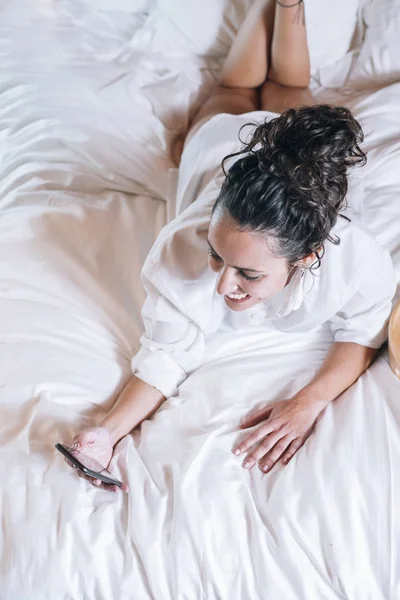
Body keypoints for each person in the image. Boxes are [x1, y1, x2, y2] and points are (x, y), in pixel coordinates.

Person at [69, 0, 396, 491]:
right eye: (217, 255)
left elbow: (365, 329)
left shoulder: (356, 256)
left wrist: (308, 402)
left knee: (282, 88)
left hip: (293, 166)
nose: (222, 283)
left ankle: (286, 3)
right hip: (222, 143)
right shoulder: (181, 246)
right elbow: (165, 353)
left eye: (249, 273)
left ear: (308, 257)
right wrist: (105, 433)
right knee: (234, 90)